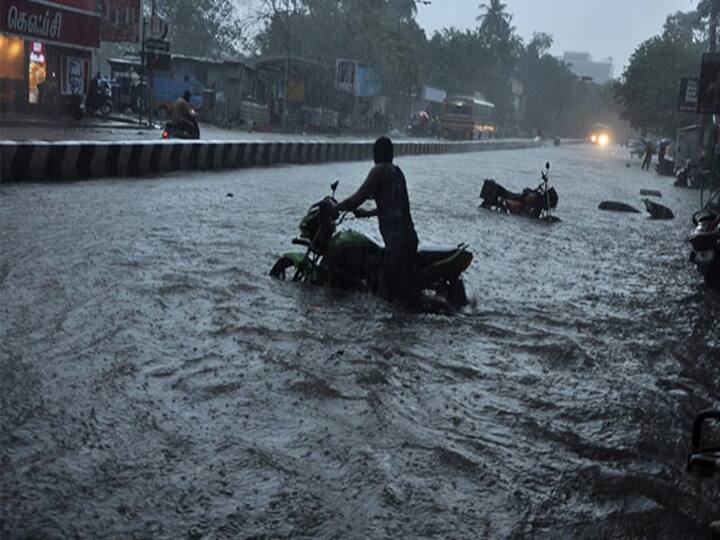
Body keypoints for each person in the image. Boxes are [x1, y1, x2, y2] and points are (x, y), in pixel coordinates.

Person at [332, 137, 418, 304]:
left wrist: (334, 208)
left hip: (397, 243)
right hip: (407, 239)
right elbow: (395, 207)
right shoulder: (397, 173)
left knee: (387, 297)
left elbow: (358, 197)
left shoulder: (379, 171)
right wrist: (367, 213)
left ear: (377, 154)